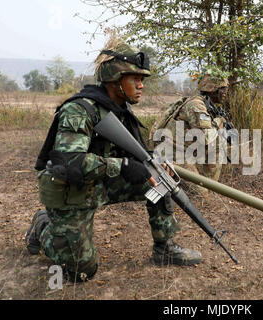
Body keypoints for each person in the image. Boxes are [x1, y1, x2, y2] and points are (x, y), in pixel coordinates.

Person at [25, 39, 202, 283]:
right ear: (115, 79)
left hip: (99, 180)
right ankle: (43, 226)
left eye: (143, 80)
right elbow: (69, 163)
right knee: (81, 271)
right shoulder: (79, 110)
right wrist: (123, 166)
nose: (141, 86)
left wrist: (151, 165)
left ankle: (165, 249)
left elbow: (132, 152)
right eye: (134, 79)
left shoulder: (119, 109)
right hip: (70, 189)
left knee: (159, 183)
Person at [149, 70, 234, 196]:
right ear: (212, 89)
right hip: (172, 154)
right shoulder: (196, 105)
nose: (225, 92)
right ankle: (177, 187)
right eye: (223, 89)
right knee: (201, 194)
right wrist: (218, 122)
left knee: (218, 146)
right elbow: (205, 137)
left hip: (185, 152)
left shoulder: (209, 106)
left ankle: (209, 187)